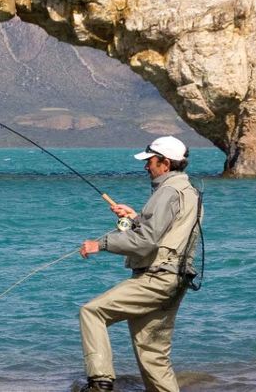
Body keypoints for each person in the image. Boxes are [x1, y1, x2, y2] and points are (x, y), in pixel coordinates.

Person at [77, 136, 203, 392]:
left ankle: (100, 382)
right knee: (154, 357)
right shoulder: (188, 191)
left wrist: (99, 244)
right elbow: (164, 232)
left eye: (150, 161)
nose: (146, 166)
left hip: (156, 279)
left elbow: (146, 242)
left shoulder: (168, 191)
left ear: (165, 163)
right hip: (175, 281)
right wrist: (135, 217)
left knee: (92, 312)